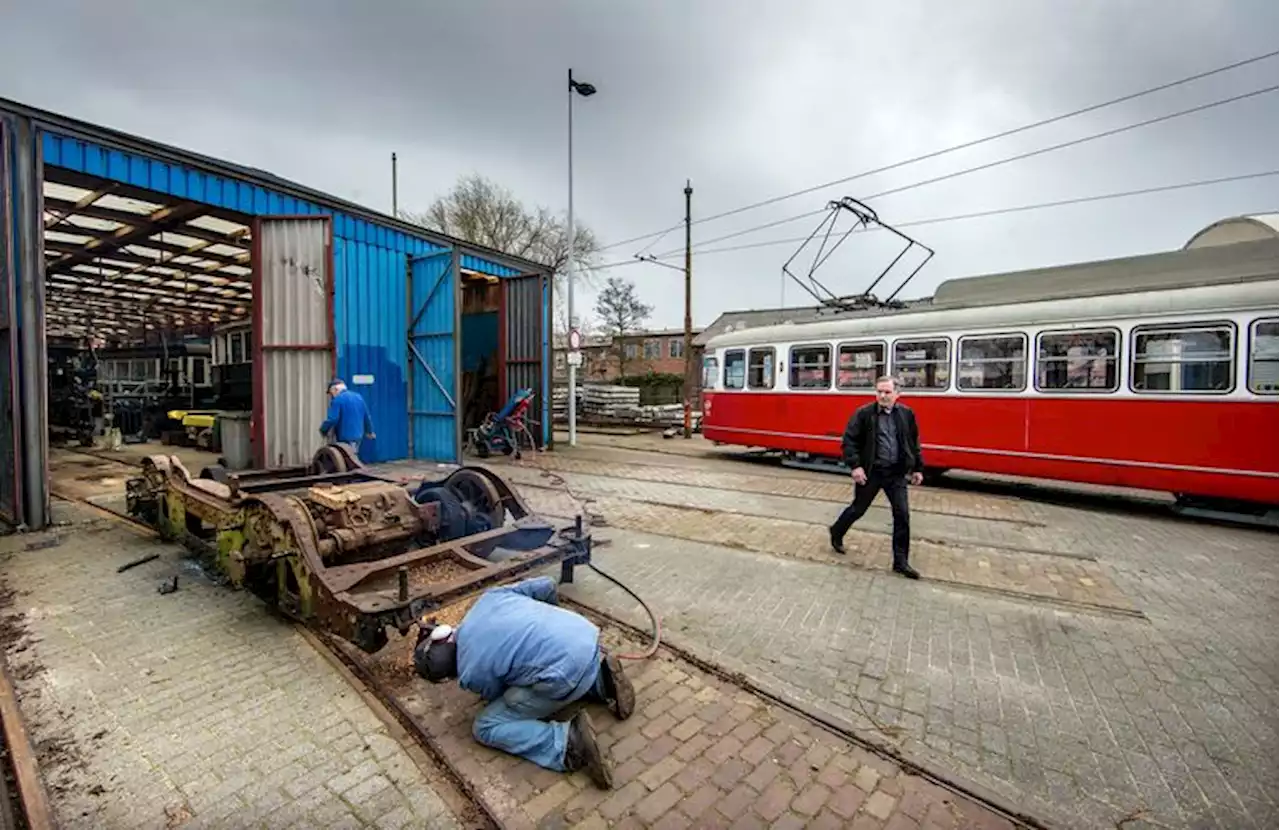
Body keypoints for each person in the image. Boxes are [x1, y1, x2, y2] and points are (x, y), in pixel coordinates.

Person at [413, 576, 634, 790]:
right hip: (585, 635)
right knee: (546, 665)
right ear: (447, 634)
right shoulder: (487, 599)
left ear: (448, 675)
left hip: (566, 673)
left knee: (486, 726)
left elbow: (500, 695)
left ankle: (567, 743)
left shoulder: (470, 672)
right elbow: (546, 585)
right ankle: (602, 681)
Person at [828, 375, 924, 579]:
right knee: (858, 509)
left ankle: (901, 561)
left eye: (887, 392)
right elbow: (849, 441)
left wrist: (917, 468)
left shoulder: (906, 414)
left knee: (902, 515)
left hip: (896, 473)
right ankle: (837, 531)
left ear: (897, 394)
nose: (882, 396)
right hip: (872, 472)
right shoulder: (864, 414)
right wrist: (856, 466)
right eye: (879, 391)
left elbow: (913, 443)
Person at [318, 378, 375, 453]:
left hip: (344, 437)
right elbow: (366, 417)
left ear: (335, 389)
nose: (332, 396)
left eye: (331, 393)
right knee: (352, 457)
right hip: (358, 436)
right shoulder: (359, 397)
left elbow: (333, 419)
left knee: (344, 458)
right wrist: (369, 431)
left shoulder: (337, 400)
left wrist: (323, 429)